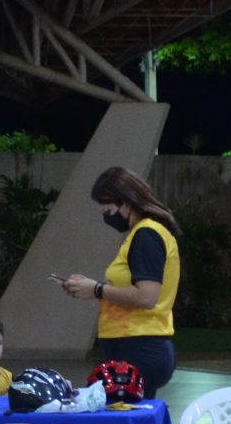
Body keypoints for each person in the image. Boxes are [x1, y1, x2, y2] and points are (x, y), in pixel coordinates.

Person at [57, 165, 180, 396]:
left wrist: (97, 289)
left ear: (127, 202)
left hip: (139, 345)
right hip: (137, 344)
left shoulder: (147, 234)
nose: (107, 217)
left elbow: (147, 297)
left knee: (123, 415)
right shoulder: (144, 233)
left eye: (109, 210)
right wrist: (90, 288)